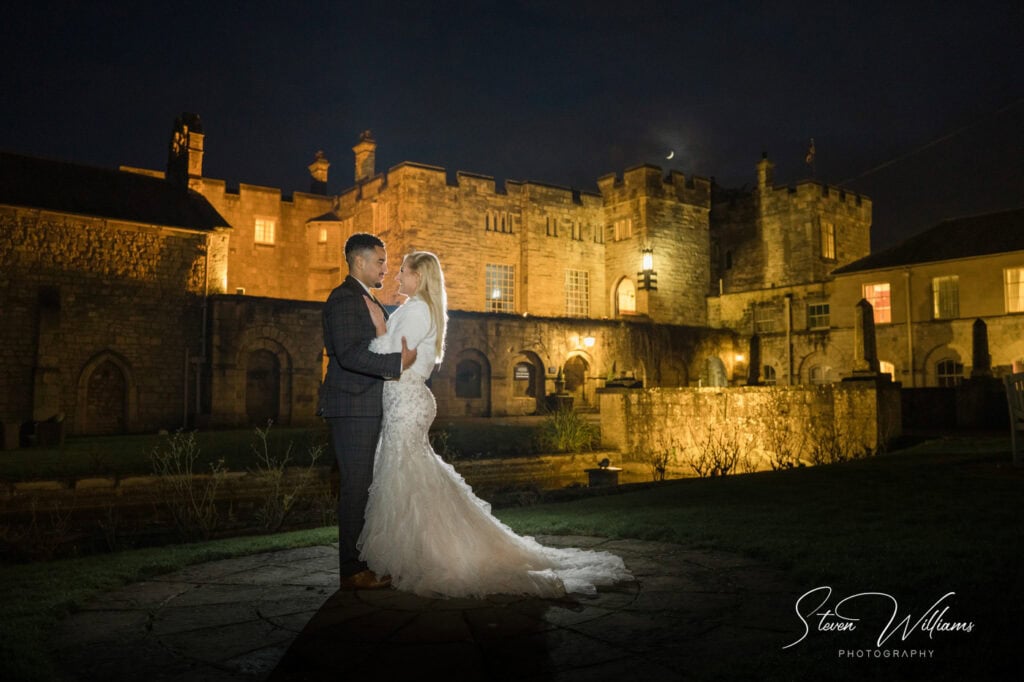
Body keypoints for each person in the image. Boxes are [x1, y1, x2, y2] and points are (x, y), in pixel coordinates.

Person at [357, 251, 632, 598]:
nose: (397, 277)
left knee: (405, 473)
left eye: (403, 271)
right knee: (410, 473)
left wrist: (379, 325)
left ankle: (434, 554)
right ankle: (421, 549)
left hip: (406, 400)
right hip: (406, 400)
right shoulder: (419, 309)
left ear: (419, 277)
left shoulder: (416, 310)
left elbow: (395, 357)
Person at [318, 233, 417, 590]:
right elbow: (350, 354)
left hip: (367, 404)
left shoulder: (365, 298)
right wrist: (398, 363)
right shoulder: (344, 299)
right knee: (356, 487)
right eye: (380, 260)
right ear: (358, 261)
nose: (386, 268)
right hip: (353, 405)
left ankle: (366, 562)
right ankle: (352, 570)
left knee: (368, 487)